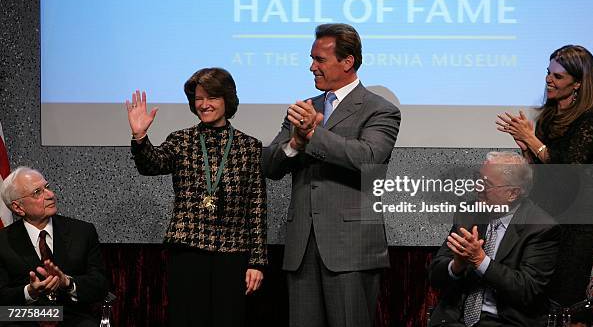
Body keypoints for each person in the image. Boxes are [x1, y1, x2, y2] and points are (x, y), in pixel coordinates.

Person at [262, 23, 401, 327]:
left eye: (320, 60)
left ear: (347, 61)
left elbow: (369, 158)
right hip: (302, 247)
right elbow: (269, 166)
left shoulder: (380, 110)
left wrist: (313, 134)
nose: (312, 67)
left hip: (350, 249)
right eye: (312, 59)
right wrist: (296, 142)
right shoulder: (303, 109)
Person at [127, 67, 266, 327]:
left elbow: (256, 206)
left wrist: (257, 261)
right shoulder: (181, 140)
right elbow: (151, 165)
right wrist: (140, 136)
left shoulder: (250, 147)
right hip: (188, 249)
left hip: (232, 252)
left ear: (227, 100)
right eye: (198, 99)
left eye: (212, 97)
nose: (204, 104)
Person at [496, 44, 593, 306]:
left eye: (558, 76)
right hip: (547, 213)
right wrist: (526, 149)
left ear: (578, 83)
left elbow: (568, 169)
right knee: (538, 292)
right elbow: (539, 174)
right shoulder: (547, 117)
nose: (549, 79)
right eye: (548, 72)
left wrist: (532, 141)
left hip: (577, 219)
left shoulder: (589, 121)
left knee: (565, 295)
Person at [429, 152, 561, 326]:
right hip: (455, 319)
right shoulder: (468, 213)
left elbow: (528, 290)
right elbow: (434, 276)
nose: (477, 187)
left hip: (505, 321)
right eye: (478, 179)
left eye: (487, 184)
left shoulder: (541, 227)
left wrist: (480, 261)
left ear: (513, 194)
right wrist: (457, 266)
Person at [0, 167, 108, 327]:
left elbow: (100, 285)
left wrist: (67, 282)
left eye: (47, 187)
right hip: (22, 315)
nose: (50, 195)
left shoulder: (82, 232)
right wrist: (29, 292)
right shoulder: (2, 242)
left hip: (71, 313)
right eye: (37, 192)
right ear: (18, 208)